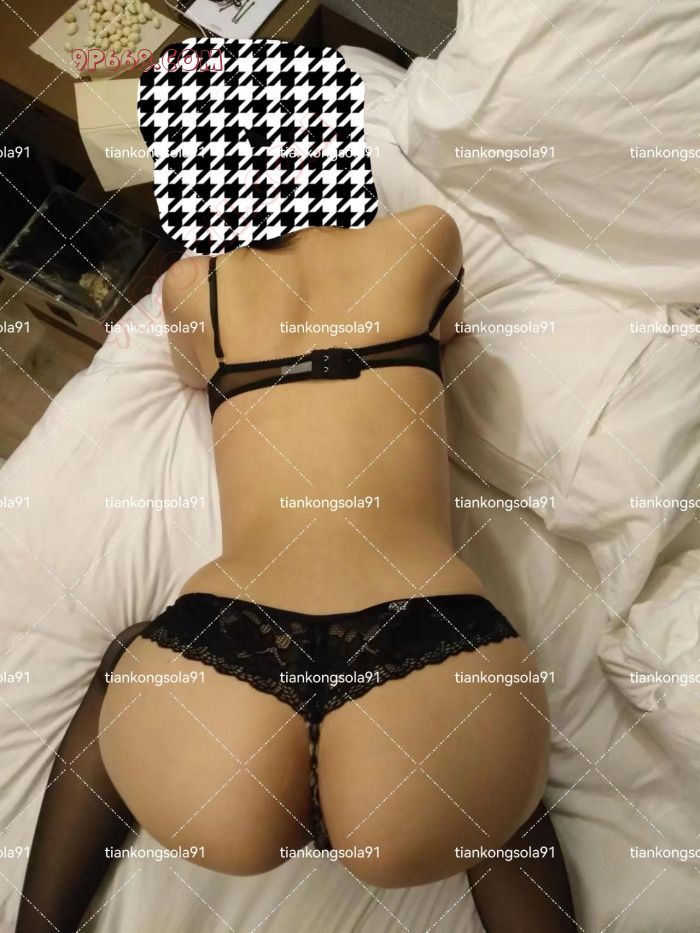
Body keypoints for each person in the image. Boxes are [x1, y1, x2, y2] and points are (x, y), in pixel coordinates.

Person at [16, 205, 576, 932]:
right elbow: (451, 323)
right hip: (429, 634)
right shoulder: (424, 235)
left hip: (229, 668)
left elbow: (190, 371)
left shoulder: (194, 286)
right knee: (489, 766)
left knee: (126, 660)